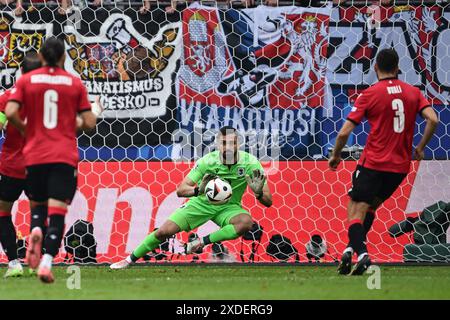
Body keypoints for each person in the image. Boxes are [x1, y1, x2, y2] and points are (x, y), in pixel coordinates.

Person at [328, 48, 439, 275]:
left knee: (354, 210)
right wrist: (420, 148)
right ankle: (350, 249)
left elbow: (343, 133)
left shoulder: (370, 93)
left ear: (375, 67)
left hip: (373, 164)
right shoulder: (413, 93)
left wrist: (336, 155)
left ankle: (363, 253)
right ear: (398, 68)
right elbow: (433, 119)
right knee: (369, 208)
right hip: (399, 168)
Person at [110, 126, 273, 269]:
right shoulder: (207, 162)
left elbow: (268, 201)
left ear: (239, 143)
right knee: (163, 232)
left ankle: (200, 242)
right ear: (217, 144)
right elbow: (181, 190)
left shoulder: (251, 163)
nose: (228, 147)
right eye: (224, 143)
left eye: (232, 143)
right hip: (201, 203)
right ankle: (128, 260)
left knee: (245, 222)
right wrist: (198, 190)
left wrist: (258, 193)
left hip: (228, 207)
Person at [5, 37, 98, 283]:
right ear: (63, 57)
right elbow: (88, 123)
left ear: (42, 57)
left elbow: (11, 112)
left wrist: (27, 131)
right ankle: (46, 262)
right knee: (56, 212)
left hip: (33, 156)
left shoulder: (26, 81)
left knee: (37, 208)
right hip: (63, 156)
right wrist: (93, 114)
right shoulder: (74, 83)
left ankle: (34, 229)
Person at [0, 52, 42, 278]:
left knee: (3, 212)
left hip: (11, 167)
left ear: (21, 72)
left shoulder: (7, 97)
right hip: (39, 165)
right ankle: (38, 253)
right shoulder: (48, 99)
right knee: (39, 211)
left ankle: (14, 262)